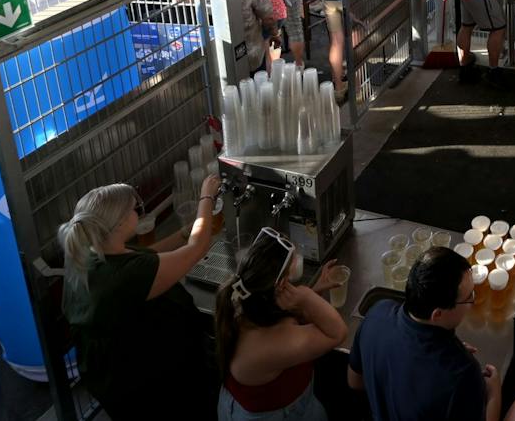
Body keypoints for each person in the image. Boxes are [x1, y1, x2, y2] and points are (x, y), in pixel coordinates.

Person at [59, 175, 222, 420]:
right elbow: (196, 249)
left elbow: (146, 256)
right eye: (134, 209)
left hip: (106, 373)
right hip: (143, 380)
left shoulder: (90, 251)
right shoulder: (126, 275)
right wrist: (207, 197)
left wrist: (183, 232)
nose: (138, 211)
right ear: (121, 223)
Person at [348, 246, 501, 421]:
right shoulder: (462, 372)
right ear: (437, 314)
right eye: (468, 298)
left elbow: (355, 381)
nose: (472, 302)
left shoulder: (377, 314)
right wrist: (494, 394)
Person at [214, 228, 348, 421]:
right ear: (280, 287)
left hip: (265, 405)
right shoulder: (275, 343)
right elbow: (337, 332)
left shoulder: (243, 304)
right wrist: (306, 296)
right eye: (289, 278)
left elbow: (288, 319)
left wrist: (314, 290)